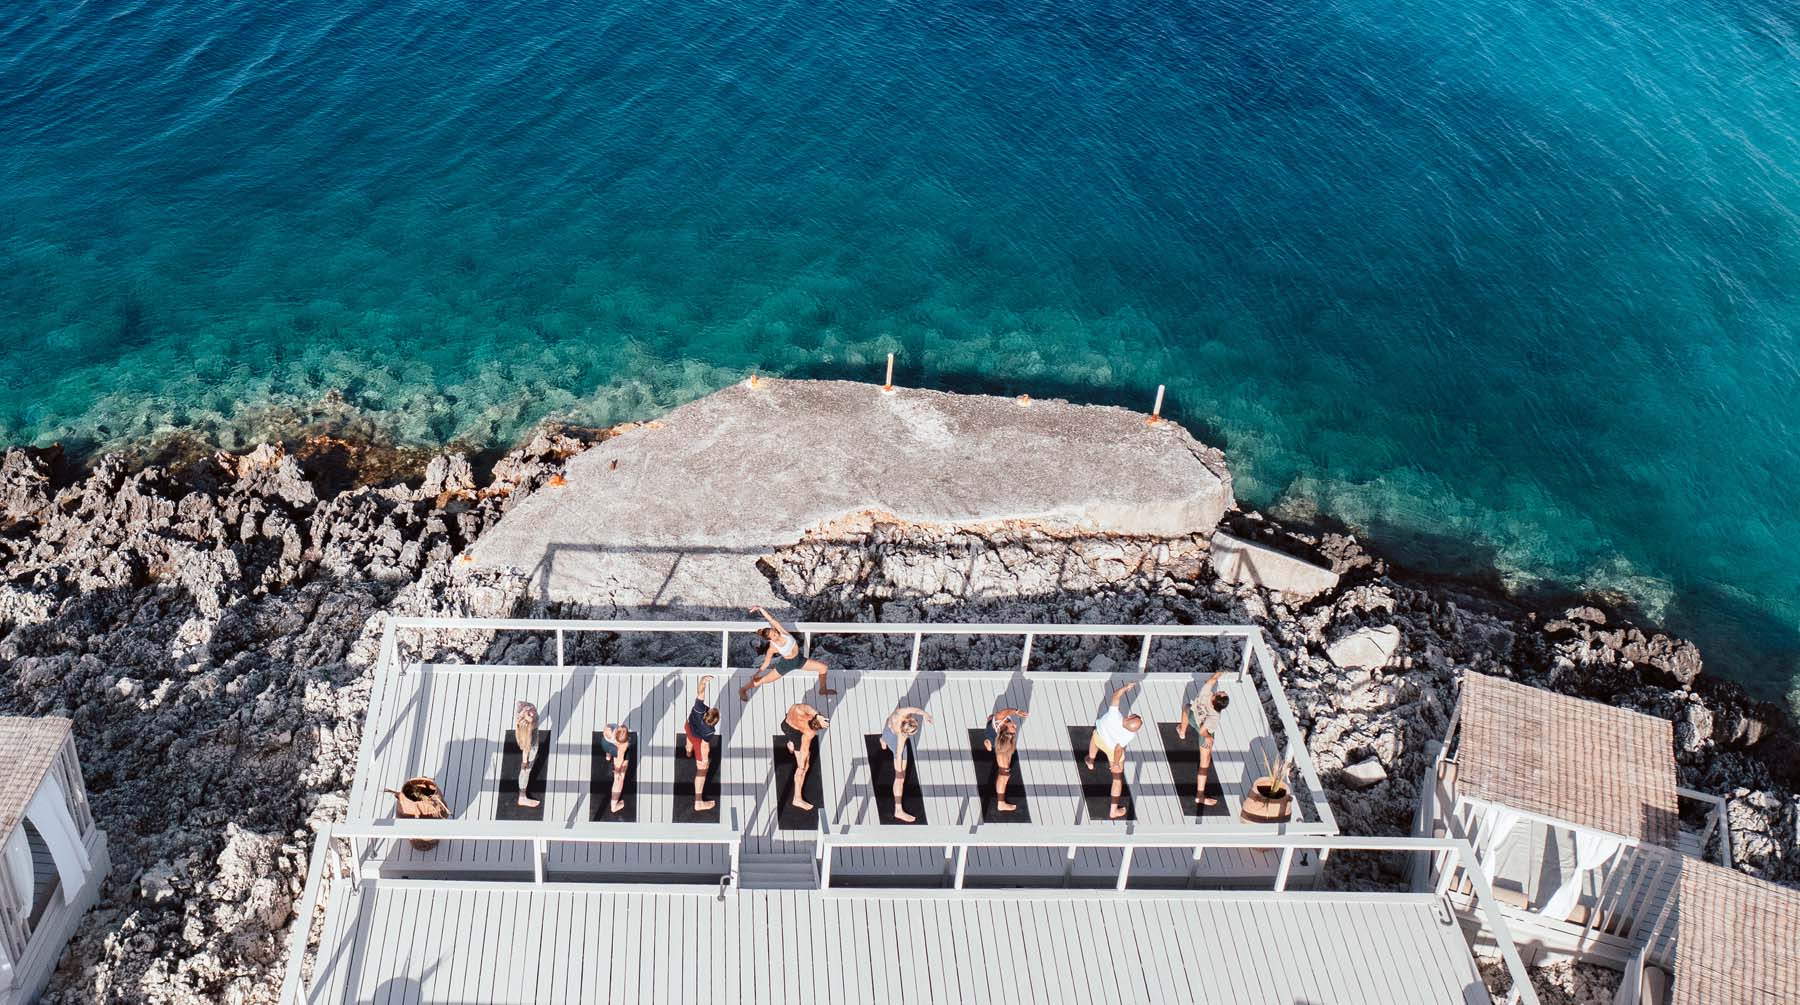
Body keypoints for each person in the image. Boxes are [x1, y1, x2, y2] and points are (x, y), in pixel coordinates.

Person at [739, 605, 836, 701]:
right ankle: (743, 689)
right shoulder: (772, 648)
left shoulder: (782, 632)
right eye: (774, 635)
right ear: (770, 639)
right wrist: (757, 673)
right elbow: (766, 663)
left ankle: (822, 689)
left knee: (823, 668)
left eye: (775, 632)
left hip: (799, 660)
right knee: (764, 680)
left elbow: (771, 620)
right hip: (786, 665)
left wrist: (760, 608)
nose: (776, 634)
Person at [1085, 682, 1143, 819]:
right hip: (1112, 750)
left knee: (1095, 737)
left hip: (1099, 737)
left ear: (1128, 718)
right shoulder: (1129, 734)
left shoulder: (1114, 715)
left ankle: (1090, 761)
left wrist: (1125, 688)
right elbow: (1118, 749)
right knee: (1117, 779)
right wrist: (1116, 763)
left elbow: (1116, 696)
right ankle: (1113, 810)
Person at [1176, 671, 1231, 808]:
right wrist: (1207, 737)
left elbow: (1211, 680)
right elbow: (1203, 730)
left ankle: (1182, 731)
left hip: (1195, 719)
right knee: (1204, 764)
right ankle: (1200, 795)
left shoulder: (1206, 695)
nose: (1220, 691)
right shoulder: (1215, 716)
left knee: (1186, 708)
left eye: (1220, 693)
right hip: (1202, 728)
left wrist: (1219, 673)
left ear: (1214, 699)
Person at [879, 707, 933, 823]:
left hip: (888, 730)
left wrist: (925, 715)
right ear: (906, 732)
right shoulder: (902, 737)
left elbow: (916, 710)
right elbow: (899, 754)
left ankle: (883, 740)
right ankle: (898, 810)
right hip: (895, 743)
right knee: (900, 779)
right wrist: (899, 773)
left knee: (888, 721)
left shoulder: (900, 712)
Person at [780, 703, 830, 812]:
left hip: (785, 725)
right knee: (805, 766)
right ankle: (797, 799)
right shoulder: (809, 732)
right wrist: (801, 766)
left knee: (791, 737)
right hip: (796, 735)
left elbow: (806, 707)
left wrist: (818, 715)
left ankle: (791, 744)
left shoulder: (797, 709)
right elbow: (804, 750)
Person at [684, 675, 721, 813]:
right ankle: (698, 801)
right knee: (702, 770)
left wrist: (703, 681)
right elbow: (704, 746)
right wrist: (704, 760)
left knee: (690, 738)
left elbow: (700, 692)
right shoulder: (709, 731)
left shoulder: (699, 709)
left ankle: (688, 750)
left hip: (688, 727)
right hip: (698, 741)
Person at [983, 707, 1029, 812]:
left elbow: (1007, 710)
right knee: (1004, 774)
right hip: (995, 737)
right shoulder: (1000, 730)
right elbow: (1007, 712)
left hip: (993, 732)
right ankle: (1001, 803)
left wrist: (1017, 712)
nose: (1015, 725)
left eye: (1013, 727)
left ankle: (987, 741)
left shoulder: (1000, 717)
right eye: (1013, 727)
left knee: (1006, 770)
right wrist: (1016, 712)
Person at [596, 723, 631, 815]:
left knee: (608, 750)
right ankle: (614, 806)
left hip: (605, 745)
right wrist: (618, 772)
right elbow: (620, 759)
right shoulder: (623, 746)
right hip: (615, 751)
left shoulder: (609, 729)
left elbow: (605, 733)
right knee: (619, 779)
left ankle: (608, 756)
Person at [514, 701, 541, 809]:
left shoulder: (527, 707)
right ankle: (522, 796)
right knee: (526, 771)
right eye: (530, 715)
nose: (533, 713)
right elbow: (526, 748)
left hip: (531, 739)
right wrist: (525, 761)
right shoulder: (527, 733)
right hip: (531, 748)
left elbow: (519, 703)